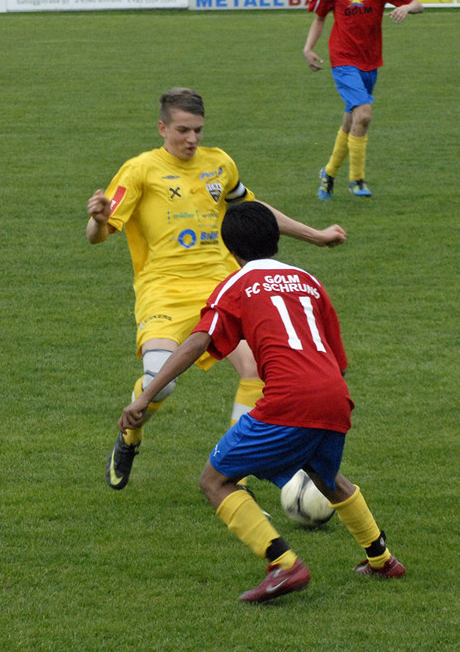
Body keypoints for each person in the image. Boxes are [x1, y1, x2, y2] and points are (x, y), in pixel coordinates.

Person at [119, 201, 406, 603]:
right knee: (326, 477)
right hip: (334, 394)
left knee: (215, 481)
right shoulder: (308, 281)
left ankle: (283, 564)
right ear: (275, 239)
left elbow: (199, 340)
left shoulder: (236, 285)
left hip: (289, 399)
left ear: (229, 248)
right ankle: (382, 559)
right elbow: (336, 356)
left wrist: (146, 396)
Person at [87, 88, 346, 491]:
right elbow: (97, 235)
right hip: (164, 292)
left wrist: (316, 235)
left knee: (256, 370)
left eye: (198, 130)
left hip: (224, 289)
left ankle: (234, 471)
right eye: (182, 130)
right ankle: (129, 436)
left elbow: (254, 213)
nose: (191, 139)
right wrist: (100, 220)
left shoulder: (220, 164)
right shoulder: (139, 170)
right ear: (162, 128)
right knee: (161, 381)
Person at [303, 0, 424, 200]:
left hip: (370, 61)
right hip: (343, 59)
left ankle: (328, 174)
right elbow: (320, 17)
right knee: (365, 115)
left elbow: (418, 4)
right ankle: (356, 179)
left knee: (351, 121)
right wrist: (308, 48)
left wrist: (406, 7)